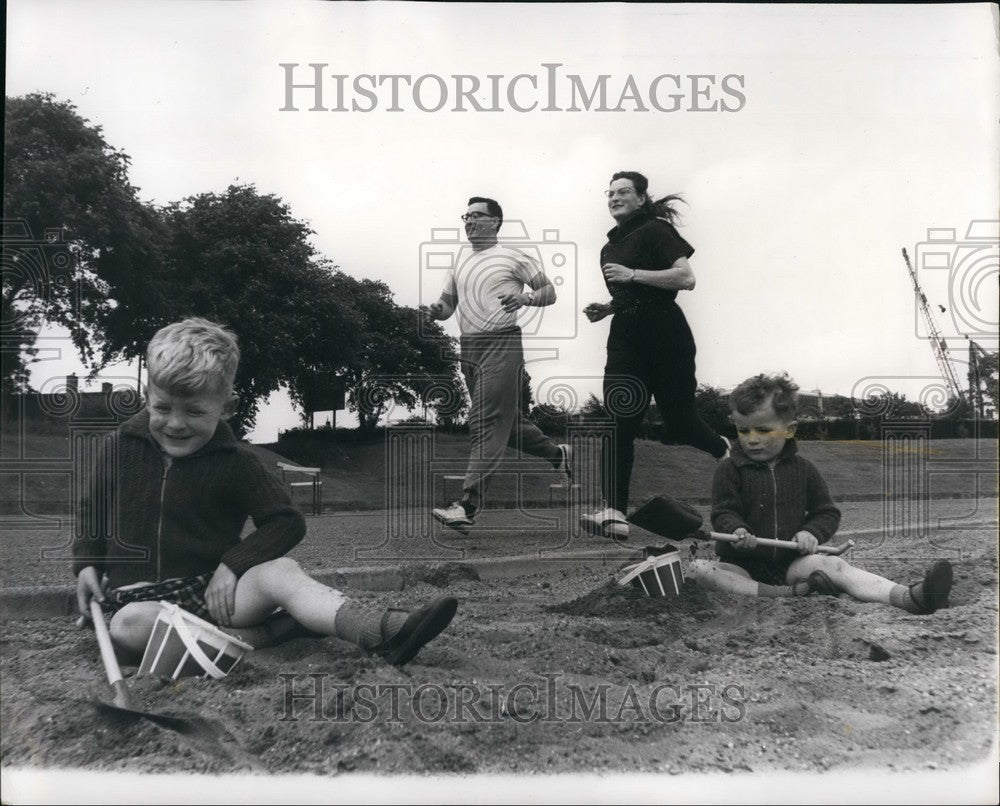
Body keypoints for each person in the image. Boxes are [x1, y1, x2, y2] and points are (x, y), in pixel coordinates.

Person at [73, 318, 457, 666]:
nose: (175, 424)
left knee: (282, 572)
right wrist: (87, 564)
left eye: (194, 412)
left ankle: (381, 630)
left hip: (211, 595)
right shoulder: (119, 446)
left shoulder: (235, 461)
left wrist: (233, 565)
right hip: (138, 603)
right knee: (129, 627)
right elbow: (92, 509)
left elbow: (286, 522)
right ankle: (267, 635)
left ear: (227, 408)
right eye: (163, 407)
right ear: (146, 395)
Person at [686, 372, 953, 614]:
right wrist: (737, 531)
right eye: (743, 430)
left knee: (835, 566)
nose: (751, 439)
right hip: (741, 565)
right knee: (700, 570)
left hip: (792, 565)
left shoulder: (804, 470)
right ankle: (789, 594)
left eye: (763, 430)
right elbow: (724, 511)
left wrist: (811, 533)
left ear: (789, 429)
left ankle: (909, 596)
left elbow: (826, 512)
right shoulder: (729, 468)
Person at [581, 171, 729, 541]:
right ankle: (614, 512)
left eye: (623, 192)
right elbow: (635, 294)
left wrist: (631, 274)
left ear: (642, 198)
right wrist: (610, 307)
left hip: (667, 337)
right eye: (609, 192)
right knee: (620, 422)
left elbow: (684, 278)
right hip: (626, 339)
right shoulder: (609, 246)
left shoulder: (656, 230)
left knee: (680, 425)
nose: (614, 197)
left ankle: (727, 454)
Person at [421, 196, 572, 531]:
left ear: (495, 222)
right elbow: (448, 305)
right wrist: (436, 311)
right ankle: (556, 454)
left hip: (503, 343)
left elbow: (549, 291)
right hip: (469, 350)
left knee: (483, 422)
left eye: (477, 216)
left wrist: (525, 297)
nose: (469, 221)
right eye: (466, 216)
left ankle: (468, 506)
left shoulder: (513, 257)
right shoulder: (459, 262)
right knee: (508, 425)